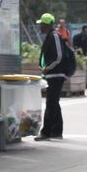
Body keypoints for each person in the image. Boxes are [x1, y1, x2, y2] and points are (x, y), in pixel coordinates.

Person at [38, 12, 73, 141]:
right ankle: (56, 130)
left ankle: (46, 132)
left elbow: (59, 56)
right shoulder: (50, 36)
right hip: (52, 75)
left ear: (46, 24)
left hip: (56, 74)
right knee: (54, 103)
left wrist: (48, 67)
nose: (39, 27)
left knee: (51, 103)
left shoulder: (54, 36)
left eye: (41, 24)